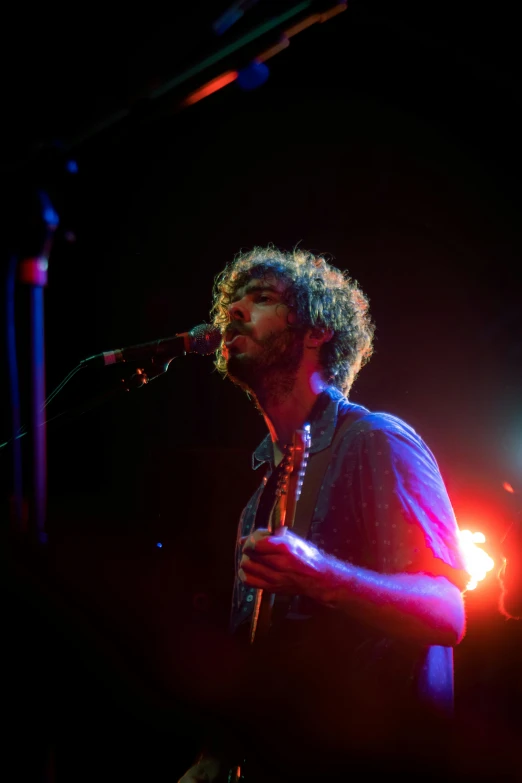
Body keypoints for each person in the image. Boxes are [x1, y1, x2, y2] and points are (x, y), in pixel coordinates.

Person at [179, 246, 468, 783]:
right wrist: (214, 755)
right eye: (231, 304)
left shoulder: (374, 440)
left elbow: (447, 613)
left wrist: (320, 575)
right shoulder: (258, 500)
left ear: (317, 331)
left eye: (259, 299)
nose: (233, 314)